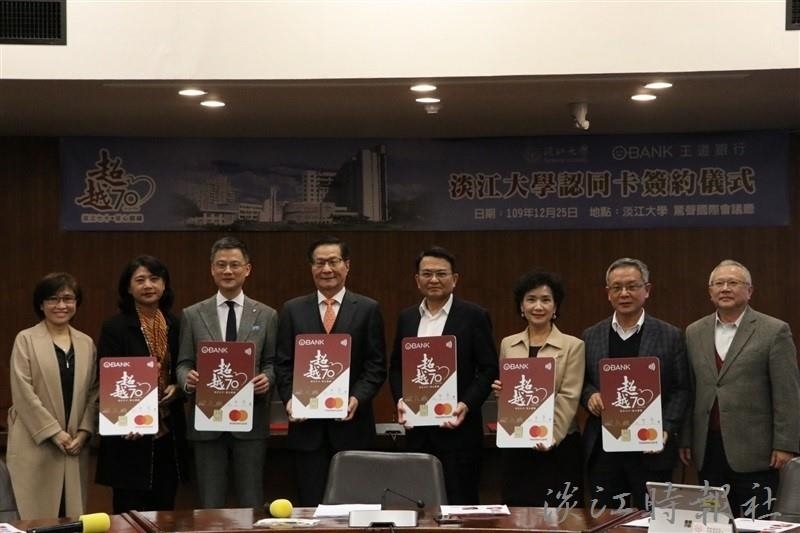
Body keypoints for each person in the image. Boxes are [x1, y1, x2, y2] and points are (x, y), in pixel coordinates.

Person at [679, 259, 800, 518]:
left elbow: (787, 393)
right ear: (710, 292)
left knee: (756, 522)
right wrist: (686, 439)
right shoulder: (694, 332)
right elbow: (690, 390)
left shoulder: (774, 330)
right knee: (714, 523)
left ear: (749, 290)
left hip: (756, 451)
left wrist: (785, 444)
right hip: (707, 448)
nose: (725, 288)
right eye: (718, 283)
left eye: (733, 283)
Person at [275, 236, 387, 507]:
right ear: (311, 267)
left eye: (333, 262)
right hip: (307, 431)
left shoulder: (368, 309)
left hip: (352, 428)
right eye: (319, 263)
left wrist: (357, 398)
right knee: (311, 506)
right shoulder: (292, 310)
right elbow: (283, 363)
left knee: (355, 507)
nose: (326, 269)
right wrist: (290, 400)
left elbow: (376, 365)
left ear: (347, 265)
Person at [389, 246, 498, 504]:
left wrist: (466, 404)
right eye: (427, 274)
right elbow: (396, 367)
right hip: (418, 433)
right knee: (418, 504)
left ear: (454, 279)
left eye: (441, 274)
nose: (434, 280)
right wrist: (401, 399)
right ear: (417, 280)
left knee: (460, 505)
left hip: (459, 433)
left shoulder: (474, 316)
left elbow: (489, 369)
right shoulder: (407, 318)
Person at [176, 236, 278, 509]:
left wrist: (267, 378)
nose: (228, 271)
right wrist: (187, 379)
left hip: (251, 421)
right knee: (210, 505)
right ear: (212, 269)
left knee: (251, 502)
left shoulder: (267, 315)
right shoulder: (193, 314)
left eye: (235, 264)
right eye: (221, 265)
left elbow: (272, 363)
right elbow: (183, 363)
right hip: (207, 422)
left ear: (247, 269)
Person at [580, 257, 689, 509]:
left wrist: (667, 428)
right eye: (616, 287)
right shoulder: (591, 335)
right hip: (604, 448)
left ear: (647, 290)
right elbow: (582, 381)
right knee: (604, 519)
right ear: (608, 293)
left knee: (651, 519)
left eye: (632, 286)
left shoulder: (670, 335)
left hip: (651, 447)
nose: (624, 293)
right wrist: (589, 395)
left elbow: (682, 388)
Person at [95, 255, 189, 513]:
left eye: (154, 279)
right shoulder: (115, 327)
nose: (148, 285)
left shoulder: (176, 324)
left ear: (164, 285)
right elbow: (108, 376)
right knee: (128, 514)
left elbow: (185, 367)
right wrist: (127, 417)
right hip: (129, 434)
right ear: (128, 288)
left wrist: (178, 388)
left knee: (164, 511)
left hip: (168, 430)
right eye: (140, 280)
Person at [7, 273, 98, 519]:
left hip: (74, 444)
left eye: (68, 298)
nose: (61, 305)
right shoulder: (26, 339)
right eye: (53, 299)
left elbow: (94, 392)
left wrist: (85, 431)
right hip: (36, 441)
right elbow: (22, 392)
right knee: (36, 518)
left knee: (70, 517)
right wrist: (54, 432)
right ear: (41, 304)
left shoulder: (86, 343)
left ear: (76, 303)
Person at [491, 271, 585, 507]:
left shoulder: (573, 346)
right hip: (517, 444)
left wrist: (551, 435)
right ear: (521, 307)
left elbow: (569, 396)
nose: (538, 306)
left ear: (555, 307)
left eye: (546, 300)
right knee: (517, 513)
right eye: (531, 299)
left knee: (560, 516)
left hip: (558, 446)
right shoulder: (508, 344)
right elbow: (511, 396)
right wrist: (501, 391)